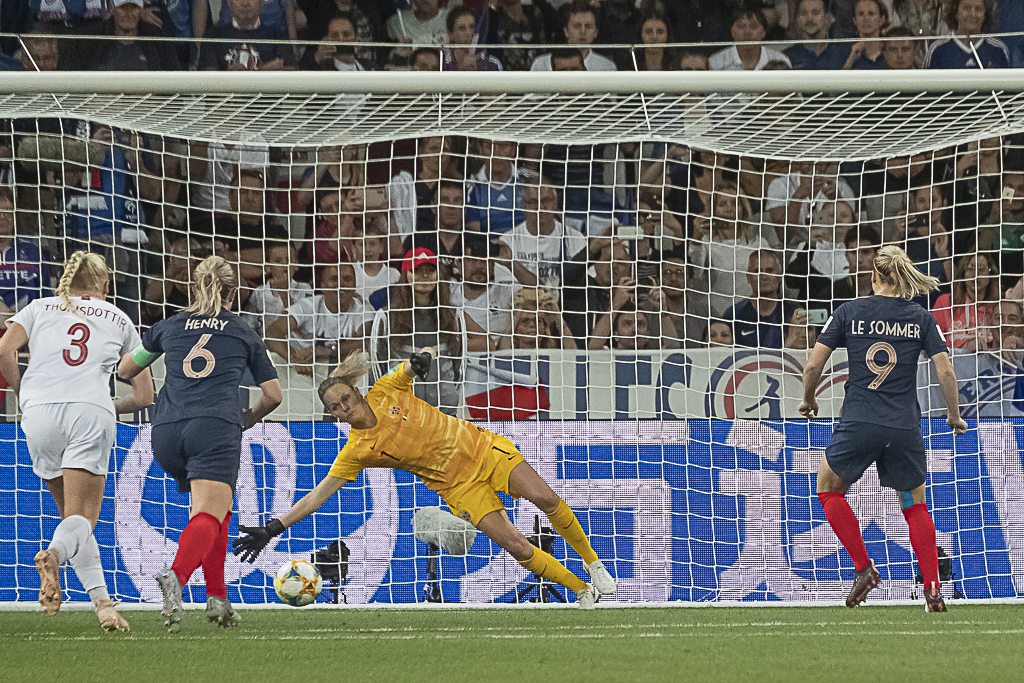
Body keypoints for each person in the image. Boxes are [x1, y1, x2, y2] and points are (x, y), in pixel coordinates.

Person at [232, 349, 617, 608]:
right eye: (335, 408)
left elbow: (412, 367)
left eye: (345, 399)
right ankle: (581, 591)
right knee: (516, 546)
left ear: (355, 390)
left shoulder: (385, 390)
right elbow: (318, 495)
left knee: (547, 500)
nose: (343, 408)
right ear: (333, 415)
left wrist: (420, 362)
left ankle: (592, 563)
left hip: (482, 450)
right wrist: (273, 527)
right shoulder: (357, 451)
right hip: (457, 487)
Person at [117, 255, 283, 630]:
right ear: (233, 291)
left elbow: (126, 369)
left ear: (193, 287)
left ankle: (218, 598)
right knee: (209, 513)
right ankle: (176, 575)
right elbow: (273, 395)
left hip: (166, 431)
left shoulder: (168, 326)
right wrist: (247, 420)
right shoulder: (242, 332)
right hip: (214, 428)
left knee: (217, 512)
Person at [799, 245, 968, 613]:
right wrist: (954, 415)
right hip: (904, 426)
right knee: (914, 505)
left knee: (828, 490)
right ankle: (933, 586)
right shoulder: (921, 318)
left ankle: (864, 569)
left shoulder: (848, 311)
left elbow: (813, 365)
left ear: (873, 276)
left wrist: (809, 398)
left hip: (859, 421)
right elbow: (946, 371)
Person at [0, 251, 153, 631]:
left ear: (65, 283)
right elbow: (145, 395)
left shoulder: (37, 307)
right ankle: (52, 555)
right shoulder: (117, 316)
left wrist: (23, 393)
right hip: (89, 412)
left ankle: (103, 605)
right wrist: (107, 407)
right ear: (105, 285)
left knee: (72, 518)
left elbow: (4, 349)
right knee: (83, 519)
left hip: (39, 413)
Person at [932, 252, 1000, 351]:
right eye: (970, 268)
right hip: (954, 364)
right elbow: (933, 342)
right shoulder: (945, 302)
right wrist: (964, 348)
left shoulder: (997, 305)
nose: (975, 274)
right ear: (963, 274)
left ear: (991, 274)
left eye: (981, 269)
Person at [530, 1, 616, 71]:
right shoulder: (541, 64)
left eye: (588, 26)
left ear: (595, 32)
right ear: (566, 31)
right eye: (577, 26)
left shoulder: (606, 66)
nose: (583, 31)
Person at [925, 0, 1009, 69]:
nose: (973, 14)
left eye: (978, 9)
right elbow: (926, 86)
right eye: (966, 8)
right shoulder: (938, 50)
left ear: (985, 14)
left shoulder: (998, 50)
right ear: (955, 12)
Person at [709, 8, 791, 71]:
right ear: (732, 31)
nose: (747, 32)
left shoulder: (780, 60)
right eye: (741, 27)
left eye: (753, 27)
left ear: (764, 32)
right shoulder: (716, 62)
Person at [786, 0, 852, 70]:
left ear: (827, 17)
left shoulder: (845, 53)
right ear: (798, 19)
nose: (809, 19)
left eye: (815, 13)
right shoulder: (788, 57)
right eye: (803, 13)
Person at [842, 0, 889, 70]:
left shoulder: (891, 49)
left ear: (882, 19)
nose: (866, 18)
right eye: (861, 14)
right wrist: (851, 59)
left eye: (871, 13)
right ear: (855, 21)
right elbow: (839, 79)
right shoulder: (846, 52)